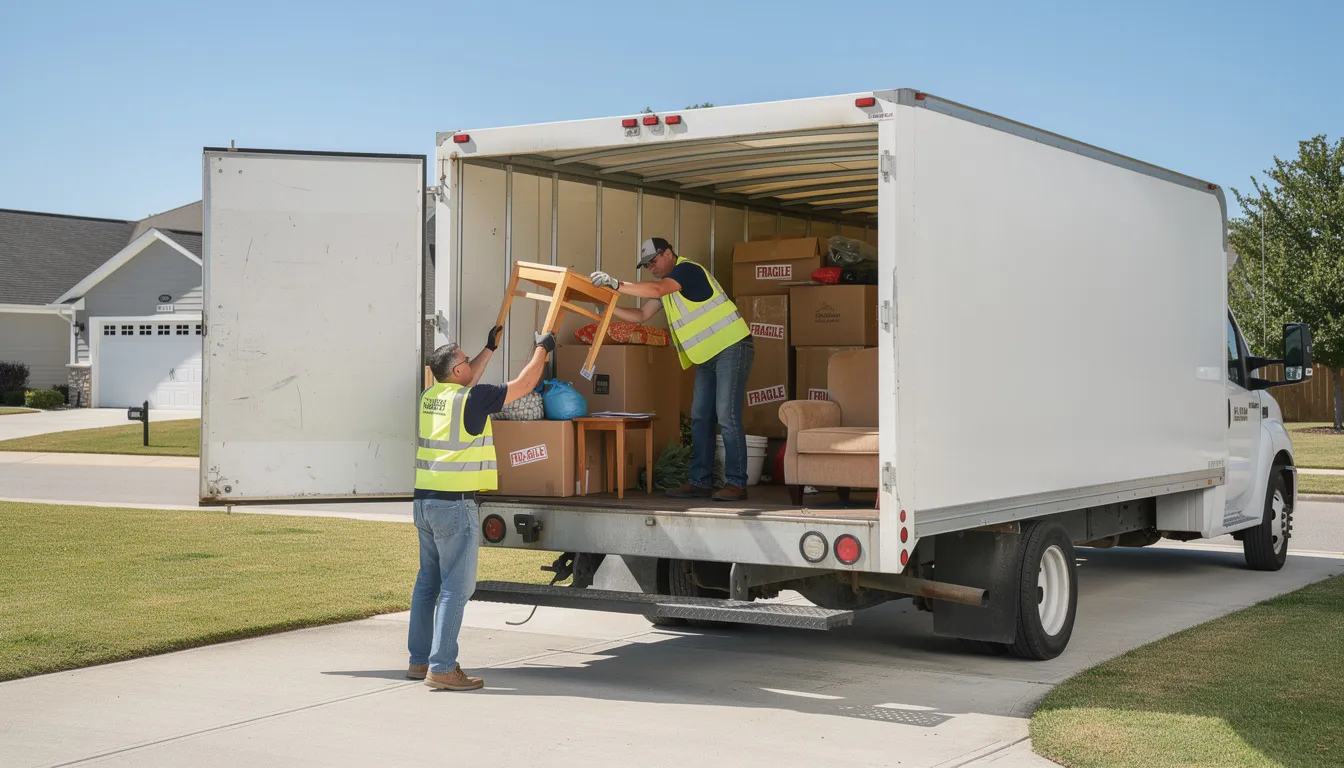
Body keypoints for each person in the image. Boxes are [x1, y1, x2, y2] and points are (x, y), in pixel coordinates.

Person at [407, 325, 555, 690]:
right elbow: (523, 386)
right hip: (455, 507)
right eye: (464, 358)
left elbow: (466, 379)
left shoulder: (432, 395)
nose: (469, 361)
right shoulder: (472, 399)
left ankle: (418, 661)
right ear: (458, 372)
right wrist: (543, 350)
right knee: (457, 588)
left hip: (425, 502)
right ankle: (442, 668)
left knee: (428, 582)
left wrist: (489, 348)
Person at [590, 237, 754, 501]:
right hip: (707, 355)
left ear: (668, 254)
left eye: (653, 261)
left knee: (726, 415)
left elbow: (656, 290)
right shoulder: (668, 290)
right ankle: (700, 481)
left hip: (731, 346)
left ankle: (737, 483)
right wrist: (609, 308)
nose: (651, 267)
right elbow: (641, 316)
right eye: (646, 265)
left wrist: (617, 285)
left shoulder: (687, 270)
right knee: (700, 417)